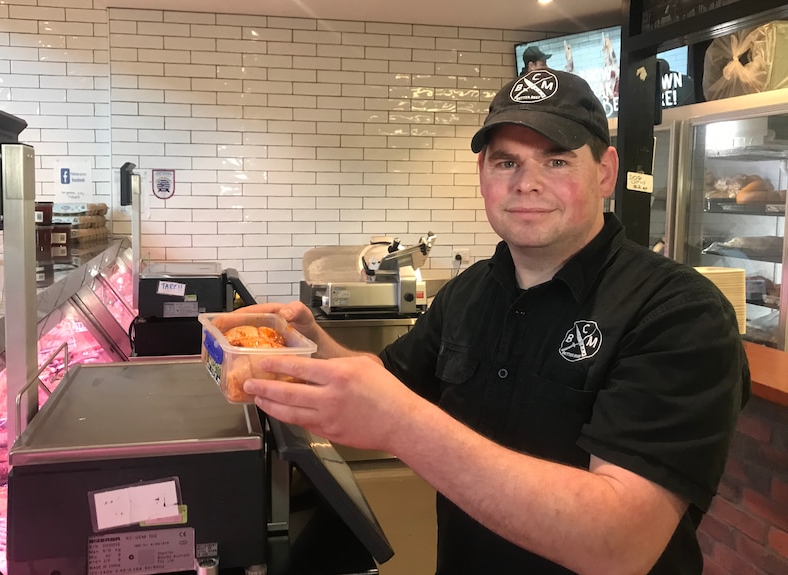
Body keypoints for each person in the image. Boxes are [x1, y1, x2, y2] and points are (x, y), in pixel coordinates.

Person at [240, 69, 750, 574]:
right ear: (483, 174)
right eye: (507, 162)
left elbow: (619, 544)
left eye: (556, 160)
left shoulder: (679, 313)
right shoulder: (469, 292)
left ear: (605, 171)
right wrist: (311, 345)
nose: (527, 183)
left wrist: (399, 424)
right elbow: (385, 387)